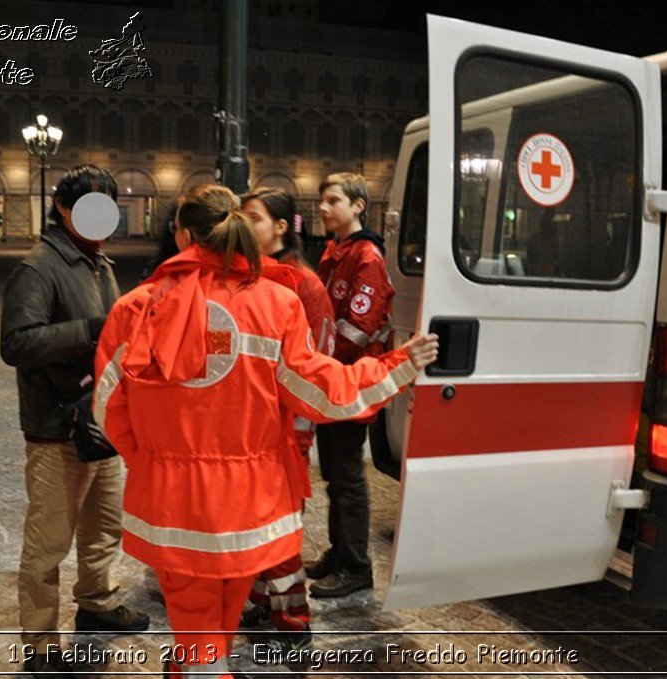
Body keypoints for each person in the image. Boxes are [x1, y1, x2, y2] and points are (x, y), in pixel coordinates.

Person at [94, 184, 438, 678]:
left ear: (182, 233)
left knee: (196, 637)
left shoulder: (136, 307)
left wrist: (149, 458)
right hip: (249, 505)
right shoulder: (277, 303)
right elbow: (324, 391)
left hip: (169, 501)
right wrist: (400, 365)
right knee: (221, 625)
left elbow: (109, 407)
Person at [0, 165, 150, 677]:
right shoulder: (39, 267)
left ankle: (97, 602)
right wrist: (90, 330)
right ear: (64, 208)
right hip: (55, 427)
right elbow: (16, 344)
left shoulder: (97, 262)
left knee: (103, 525)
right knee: (48, 543)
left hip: (98, 420)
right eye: (91, 204)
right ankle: (40, 644)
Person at [236, 187, 334, 652]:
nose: (242, 223)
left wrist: (296, 428)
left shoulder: (303, 283)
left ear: (280, 227)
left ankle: (294, 620)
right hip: (244, 428)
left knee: (277, 527)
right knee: (250, 522)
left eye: (252, 217)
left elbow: (317, 364)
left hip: (284, 428)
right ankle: (261, 599)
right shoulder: (244, 276)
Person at [308, 172, 395, 598]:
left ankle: (357, 567)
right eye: (321, 201)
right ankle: (338, 552)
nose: (323, 208)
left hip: (350, 378)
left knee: (347, 476)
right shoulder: (334, 251)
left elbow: (356, 327)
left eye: (333, 200)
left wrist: (318, 365)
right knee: (334, 474)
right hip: (331, 377)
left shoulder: (367, 258)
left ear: (358, 205)